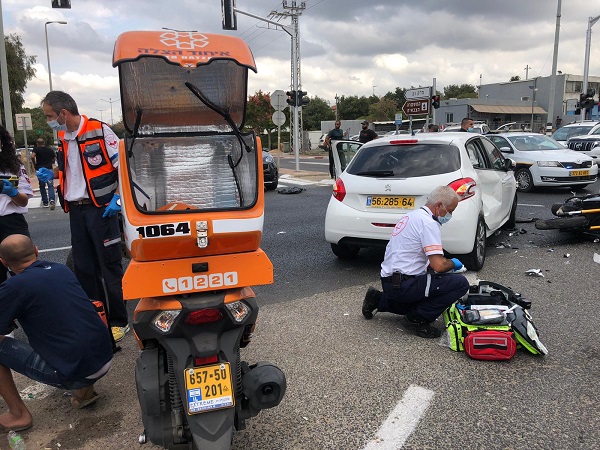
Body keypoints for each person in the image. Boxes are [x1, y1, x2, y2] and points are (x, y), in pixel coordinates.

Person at [37, 91, 129, 343]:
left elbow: (122, 165)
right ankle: (98, 320)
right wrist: (53, 173)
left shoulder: (100, 131)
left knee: (109, 266)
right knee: (85, 269)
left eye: (50, 116)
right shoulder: (62, 137)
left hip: (100, 208)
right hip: (75, 210)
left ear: (64, 114)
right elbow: (72, 168)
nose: (49, 121)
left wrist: (118, 199)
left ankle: (120, 322)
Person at [0, 235, 113, 431]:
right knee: (71, 329)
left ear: (3, 262)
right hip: (104, 358)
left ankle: (19, 415)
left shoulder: (14, 286)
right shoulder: (61, 269)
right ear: (36, 250)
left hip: (79, 372)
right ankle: (85, 392)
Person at [361, 186, 470, 338]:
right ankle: (417, 319)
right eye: (450, 211)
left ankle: (378, 299)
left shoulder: (412, 216)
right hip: (405, 284)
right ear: (439, 206)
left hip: (389, 281)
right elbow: (439, 266)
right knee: (460, 283)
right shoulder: (429, 223)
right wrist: (453, 263)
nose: (450, 215)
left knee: (421, 296)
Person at [0, 125, 33, 285]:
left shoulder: (14, 167)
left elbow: (24, 200)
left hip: (11, 224)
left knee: (24, 275)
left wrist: (12, 192)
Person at [31, 138, 56, 209]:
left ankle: (45, 202)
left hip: (40, 169)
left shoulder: (36, 149)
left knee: (42, 186)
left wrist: (34, 164)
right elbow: (54, 158)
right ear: (44, 143)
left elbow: (32, 156)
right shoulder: (50, 150)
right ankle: (52, 200)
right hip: (49, 169)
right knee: (50, 185)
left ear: (37, 143)